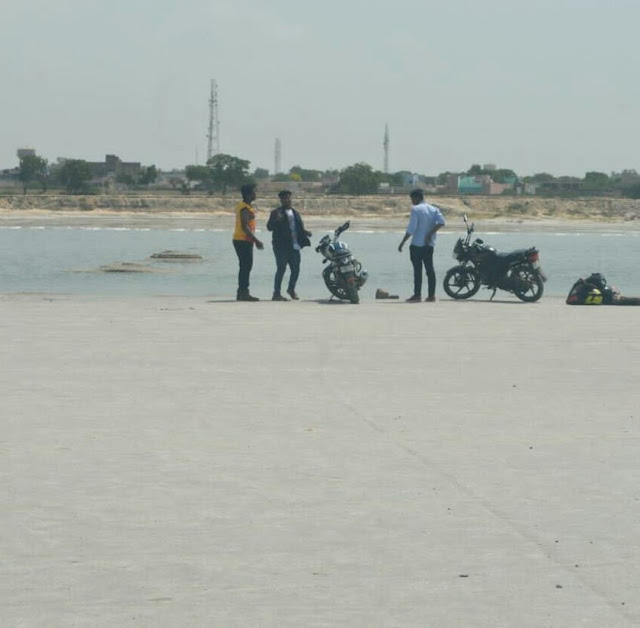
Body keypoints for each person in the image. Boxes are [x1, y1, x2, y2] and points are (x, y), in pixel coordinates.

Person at [398, 189, 445, 302]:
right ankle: (431, 295)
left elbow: (411, 229)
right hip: (429, 245)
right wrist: (430, 233)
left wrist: (402, 242)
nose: (412, 201)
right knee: (430, 270)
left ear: (417, 198)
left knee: (417, 271)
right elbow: (442, 222)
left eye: (412, 199)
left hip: (417, 245)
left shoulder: (416, 209)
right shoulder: (434, 209)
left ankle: (417, 295)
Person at [266, 190, 312, 301]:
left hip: (294, 246)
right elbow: (269, 227)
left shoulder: (295, 213)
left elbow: (296, 227)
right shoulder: (276, 212)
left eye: (289, 198)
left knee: (296, 269)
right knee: (281, 269)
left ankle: (291, 289)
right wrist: (277, 221)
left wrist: (305, 232)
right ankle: (276, 293)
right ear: (281, 200)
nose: (287, 200)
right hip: (281, 246)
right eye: (285, 198)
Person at [232, 183, 263, 301]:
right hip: (242, 240)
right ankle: (243, 292)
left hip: (243, 240)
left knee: (245, 266)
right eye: (254, 191)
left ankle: (242, 292)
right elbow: (245, 227)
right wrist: (257, 241)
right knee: (246, 267)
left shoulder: (246, 206)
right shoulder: (244, 207)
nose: (256, 193)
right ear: (248, 194)